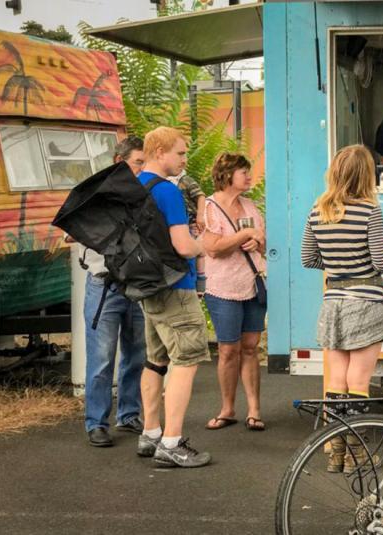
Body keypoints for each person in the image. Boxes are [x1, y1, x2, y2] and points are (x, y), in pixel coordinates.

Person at [301, 144, 383, 472]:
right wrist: (363, 266)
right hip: (366, 302)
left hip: (333, 304)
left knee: (335, 381)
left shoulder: (318, 210)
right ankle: (357, 455)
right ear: (366, 175)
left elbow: (308, 258)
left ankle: (335, 453)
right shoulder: (370, 211)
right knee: (358, 381)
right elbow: (382, 260)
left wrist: (337, 265)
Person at [135, 126, 212, 468]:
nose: (183, 160)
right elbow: (182, 245)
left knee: (155, 361)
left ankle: (150, 433)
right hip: (176, 288)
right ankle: (172, 441)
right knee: (186, 360)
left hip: (147, 286)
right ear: (159, 152)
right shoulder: (166, 191)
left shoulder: (135, 186)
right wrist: (201, 245)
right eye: (179, 153)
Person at [81, 136, 147, 448]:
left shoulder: (143, 195)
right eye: (138, 162)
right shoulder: (97, 194)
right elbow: (76, 230)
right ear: (121, 162)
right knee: (102, 358)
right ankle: (96, 423)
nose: (143, 168)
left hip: (136, 285)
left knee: (137, 354)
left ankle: (129, 413)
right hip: (104, 285)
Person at [202, 153, 267, 432]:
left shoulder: (251, 205)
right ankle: (227, 408)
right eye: (244, 171)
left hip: (253, 282)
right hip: (223, 287)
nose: (249, 176)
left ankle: (254, 409)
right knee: (229, 349)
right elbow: (214, 247)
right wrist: (245, 236)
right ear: (228, 175)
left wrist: (258, 243)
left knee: (251, 348)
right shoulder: (210, 207)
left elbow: (263, 241)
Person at [167, 170, 207, 294]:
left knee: (198, 252)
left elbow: (200, 196)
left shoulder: (185, 180)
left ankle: (200, 282)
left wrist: (200, 216)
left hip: (191, 222)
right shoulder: (164, 182)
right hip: (176, 224)